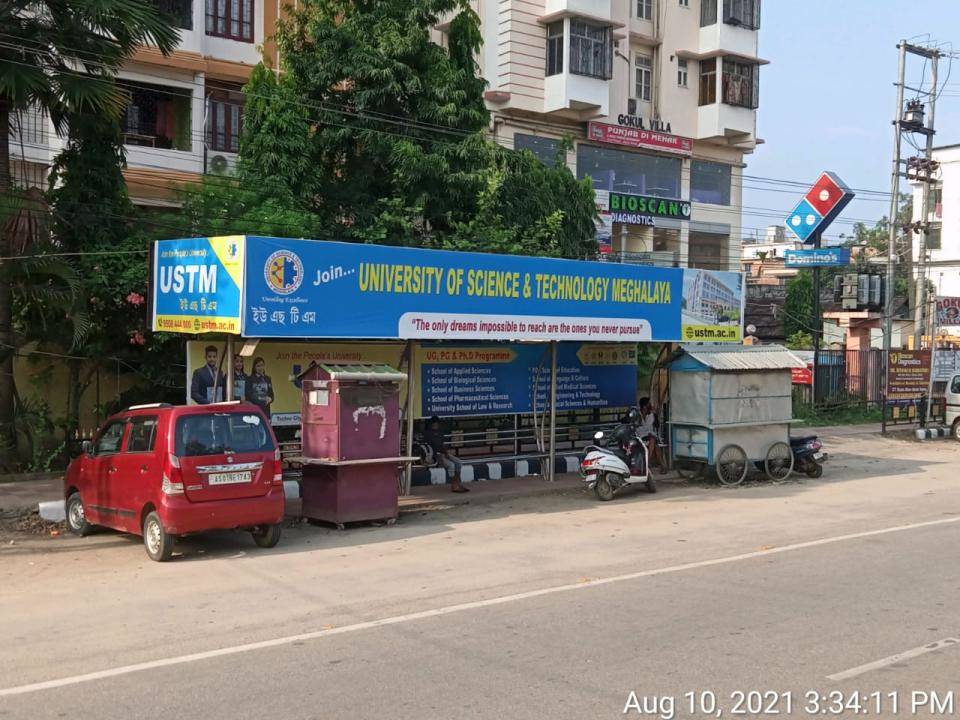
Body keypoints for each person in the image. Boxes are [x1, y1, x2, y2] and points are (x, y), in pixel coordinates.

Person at [423, 416, 468, 493]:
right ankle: (454, 486)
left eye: (436, 423)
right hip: (434, 456)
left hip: (443, 453)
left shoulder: (440, 432)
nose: (435, 425)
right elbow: (432, 446)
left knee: (458, 462)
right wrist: (441, 455)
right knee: (451, 465)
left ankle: (458, 483)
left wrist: (446, 453)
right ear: (431, 424)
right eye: (434, 424)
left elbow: (442, 444)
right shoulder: (428, 434)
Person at [637, 397, 666, 473]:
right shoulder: (637, 415)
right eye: (648, 404)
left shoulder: (651, 415)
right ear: (644, 406)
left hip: (650, 436)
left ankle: (646, 464)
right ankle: (662, 466)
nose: (650, 405)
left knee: (653, 441)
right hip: (640, 437)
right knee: (655, 445)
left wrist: (655, 415)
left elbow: (657, 425)